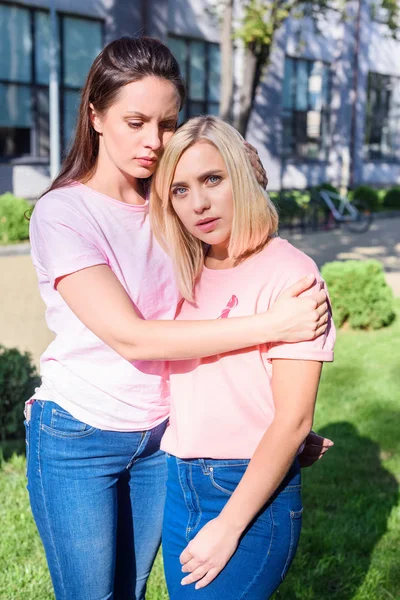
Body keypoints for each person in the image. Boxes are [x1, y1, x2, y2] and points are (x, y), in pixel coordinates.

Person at [26, 37, 331, 600]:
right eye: (135, 121)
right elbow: (133, 336)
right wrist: (275, 324)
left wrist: (278, 427)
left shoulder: (171, 203)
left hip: (164, 437)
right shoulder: (63, 213)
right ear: (95, 115)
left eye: (166, 123)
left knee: (134, 590)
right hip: (79, 433)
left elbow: (228, 272)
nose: (153, 141)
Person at [150, 115, 336, 599]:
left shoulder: (290, 273)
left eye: (213, 179)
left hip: (247, 489)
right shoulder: (184, 270)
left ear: (241, 174)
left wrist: (228, 525)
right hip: (179, 478)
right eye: (180, 190)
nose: (199, 203)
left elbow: (293, 420)